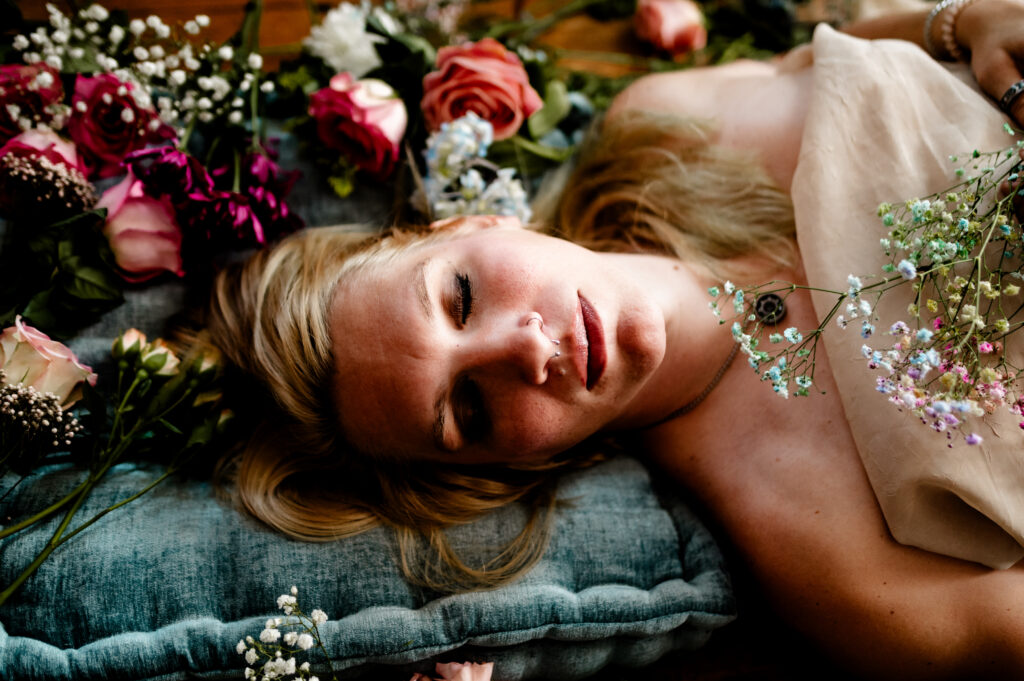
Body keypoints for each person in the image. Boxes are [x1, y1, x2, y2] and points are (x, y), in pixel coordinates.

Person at [204, 0, 1024, 676]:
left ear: (471, 220)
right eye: (470, 408)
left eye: (459, 296)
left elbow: (808, 61)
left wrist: (963, 24)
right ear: (505, 469)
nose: (521, 350)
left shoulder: (662, 122)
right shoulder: (816, 545)